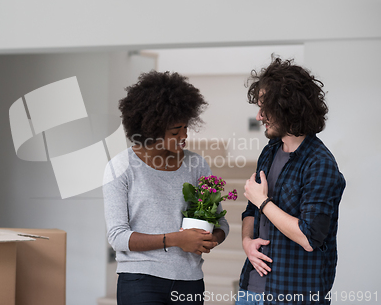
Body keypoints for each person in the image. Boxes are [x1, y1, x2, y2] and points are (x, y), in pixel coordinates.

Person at [103, 70, 229, 305]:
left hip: (189, 282)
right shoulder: (120, 167)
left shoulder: (196, 164)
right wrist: (175, 240)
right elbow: (118, 236)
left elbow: (220, 223)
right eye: (175, 132)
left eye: (185, 127)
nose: (184, 136)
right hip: (140, 280)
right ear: (151, 130)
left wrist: (211, 238)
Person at [236, 57, 346, 305]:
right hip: (251, 291)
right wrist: (246, 242)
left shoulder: (320, 163)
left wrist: (263, 202)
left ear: (288, 108)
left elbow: (309, 238)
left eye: (266, 108)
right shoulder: (270, 150)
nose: (259, 116)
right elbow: (251, 210)